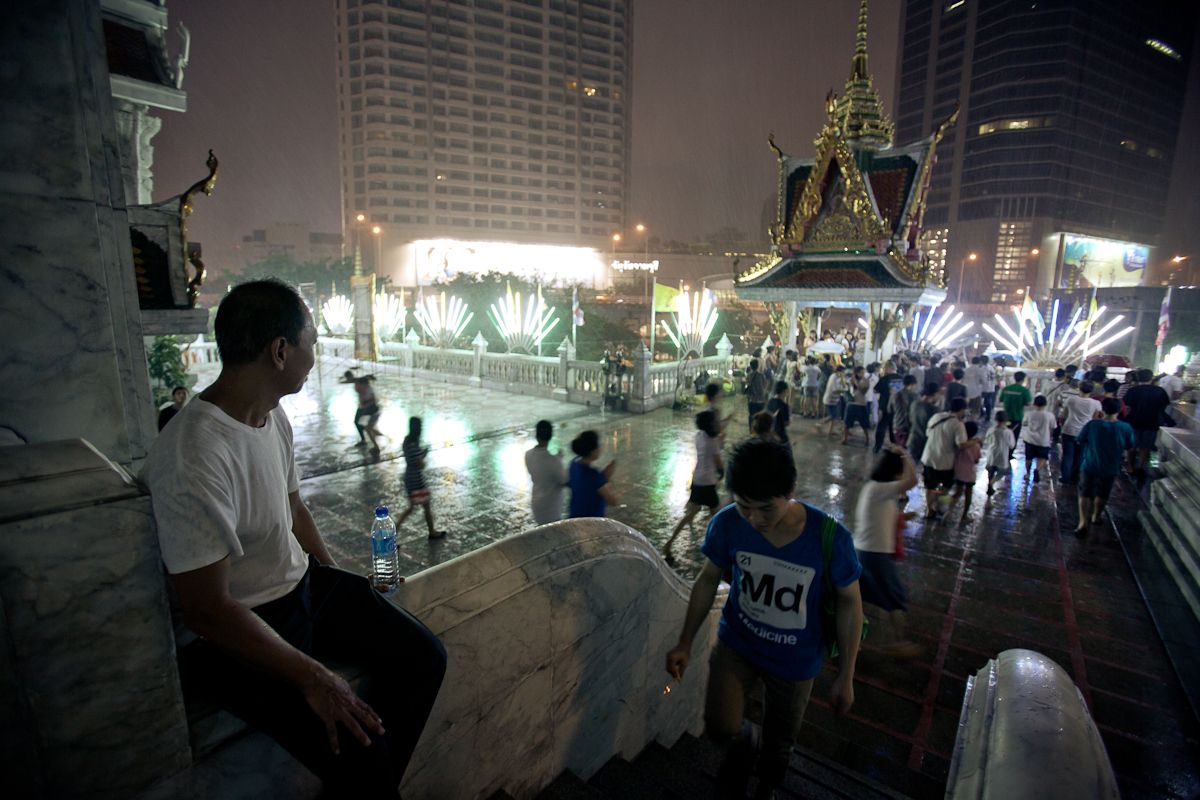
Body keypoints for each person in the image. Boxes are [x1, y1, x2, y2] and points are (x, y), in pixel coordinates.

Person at [140, 279, 445, 797]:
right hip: (239, 634)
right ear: (280, 351)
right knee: (364, 754)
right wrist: (313, 676)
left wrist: (337, 579)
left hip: (304, 589)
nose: (316, 356)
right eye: (312, 343)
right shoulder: (195, 453)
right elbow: (206, 610)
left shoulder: (270, 415)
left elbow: (294, 508)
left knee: (425, 659)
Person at [663, 439, 863, 799]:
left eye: (766, 509)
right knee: (719, 726)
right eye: (744, 507)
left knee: (780, 743)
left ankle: (766, 788)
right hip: (737, 644)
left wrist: (846, 675)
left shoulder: (830, 539)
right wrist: (685, 642)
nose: (754, 520)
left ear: (791, 491)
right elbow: (708, 579)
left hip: (796, 662)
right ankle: (744, 744)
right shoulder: (727, 524)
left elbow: (850, 603)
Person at [854, 444, 921, 658]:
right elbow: (912, 481)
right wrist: (906, 454)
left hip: (867, 551)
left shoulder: (876, 489)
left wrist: (903, 517)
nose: (902, 477)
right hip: (875, 554)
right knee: (894, 598)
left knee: (862, 598)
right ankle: (897, 643)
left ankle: (851, 638)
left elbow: (881, 517)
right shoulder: (878, 489)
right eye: (900, 471)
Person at [663, 410, 725, 558]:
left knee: (691, 513)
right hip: (708, 483)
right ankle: (718, 548)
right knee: (717, 517)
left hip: (697, 480)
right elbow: (718, 463)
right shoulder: (713, 442)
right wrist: (722, 473)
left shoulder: (699, 436)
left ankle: (669, 543)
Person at [1075, 397, 1137, 535]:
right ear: (1119, 411)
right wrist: (1129, 463)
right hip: (1111, 466)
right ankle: (1096, 516)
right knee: (1103, 493)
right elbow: (1130, 447)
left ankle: (1082, 522)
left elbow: (1080, 440)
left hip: (1090, 464)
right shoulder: (1125, 428)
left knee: (1084, 492)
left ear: (1102, 409)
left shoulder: (1092, 425)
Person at [920, 397, 973, 520]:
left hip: (928, 457)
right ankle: (938, 503)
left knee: (929, 486)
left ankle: (930, 510)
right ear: (962, 409)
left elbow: (928, 433)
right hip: (945, 461)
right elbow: (961, 444)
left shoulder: (936, 417)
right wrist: (975, 441)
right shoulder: (958, 424)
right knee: (947, 486)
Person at [398, 416, 446, 539]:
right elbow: (420, 464)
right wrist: (423, 456)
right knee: (414, 508)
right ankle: (393, 535)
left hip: (410, 476)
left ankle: (432, 531)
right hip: (416, 479)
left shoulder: (407, 441)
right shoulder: (413, 444)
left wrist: (422, 453)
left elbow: (414, 458)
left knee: (422, 506)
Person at [1123, 368, 1171, 475]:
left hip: (1134, 421)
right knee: (1146, 446)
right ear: (1151, 378)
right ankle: (1141, 466)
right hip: (1152, 422)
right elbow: (1164, 406)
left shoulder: (1133, 390)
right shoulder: (1159, 391)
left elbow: (1127, 406)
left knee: (1132, 445)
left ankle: (1129, 466)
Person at [1059, 381, 1102, 484]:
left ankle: (1065, 477)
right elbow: (1095, 418)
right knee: (1081, 455)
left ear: (1079, 388)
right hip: (1085, 432)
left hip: (1069, 430)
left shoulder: (1071, 400)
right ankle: (1075, 477)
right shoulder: (1096, 403)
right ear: (1091, 390)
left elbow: (1064, 415)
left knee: (1067, 455)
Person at [525, 419, 567, 525]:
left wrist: (557, 459)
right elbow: (564, 480)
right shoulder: (554, 461)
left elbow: (539, 470)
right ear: (550, 436)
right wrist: (559, 459)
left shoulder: (528, 455)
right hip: (551, 506)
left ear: (536, 435)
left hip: (536, 503)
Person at [568, 429, 616, 518]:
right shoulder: (593, 475)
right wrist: (608, 482)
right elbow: (612, 501)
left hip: (574, 517)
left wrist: (603, 476)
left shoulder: (573, 464)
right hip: (591, 521)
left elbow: (586, 485)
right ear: (593, 451)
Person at [341, 370, 383, 453]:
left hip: (369, 408)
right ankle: (365, 438)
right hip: (362, 407)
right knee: (357, 422)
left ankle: (375, 441)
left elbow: (374, 400)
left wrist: (365, 403)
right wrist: (342, 382)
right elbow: (350, 381)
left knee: (368, 428)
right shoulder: (358, 381)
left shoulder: (368, 389)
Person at [1020, 395, 1055, 483]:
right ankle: (1037, 470)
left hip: (1030, 439)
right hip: (1043, 440)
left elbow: (1024, 423)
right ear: (1045, 404)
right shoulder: (1050, 415)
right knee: (1042, 457)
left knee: (1028, 458)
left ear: (1034, 404)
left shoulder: (1029, 414)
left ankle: (1027, 474)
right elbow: (1053, 427)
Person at [952, 420, 982, 521]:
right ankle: (964, 515)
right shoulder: (976, 445)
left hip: (958, 472)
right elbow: (976, 460)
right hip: (970, 474)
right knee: (968, 494)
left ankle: (949, 510)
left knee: (958, 492)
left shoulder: (959, 444)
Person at [907, 382, 941, 463]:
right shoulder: (934, 409)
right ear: (935, 394)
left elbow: (909, 420)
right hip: (925, 444)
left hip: (912, 441)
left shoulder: (914, 404)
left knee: (910, 467)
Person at [984, 411, 1015, 496]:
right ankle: (991, 483)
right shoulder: (1008, 432)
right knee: (1002, 472)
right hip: (1002, 455)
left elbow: (986, 441)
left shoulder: (991, 430)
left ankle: (990, 485)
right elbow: (1012, 445)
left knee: (990, 471)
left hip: (991, 454)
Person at [999, 371, 1033, 449]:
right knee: (1014, 436)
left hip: (1005, 417)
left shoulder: (1006, 389)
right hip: (1017, 418)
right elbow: (1028, 403)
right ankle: (1010, 452)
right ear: (1023, 379)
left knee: (1003, 434)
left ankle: (1003, 450)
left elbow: (1001, 399)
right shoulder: (1024, 390)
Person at [872, 363, 901, 453]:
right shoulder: (900, 378)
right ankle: (894, 446)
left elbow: (875, 390)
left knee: (882, 426)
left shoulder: (884, 378)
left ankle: (877, 447)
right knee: (894, 427)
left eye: (885, 368)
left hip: (884, 406)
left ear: (889, 368)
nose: (884, 370)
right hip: (896, 407)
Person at [842, 366, 871, 447]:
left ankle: (867, 439)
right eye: (861, 372)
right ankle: (845, 439)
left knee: (864, 424)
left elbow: (863, 391)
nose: (863, 374)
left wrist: (855, 382)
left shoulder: (865, 380)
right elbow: (846, 387)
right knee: (847, 423)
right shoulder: (851, 379)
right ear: (857, 373)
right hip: (851, 403)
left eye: (863, 372)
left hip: (861, 404)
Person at [889, 375, 919, 450]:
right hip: (909, 427)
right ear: (912, 384)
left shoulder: (894, 395)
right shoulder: (915, 396)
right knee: (906, 451)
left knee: (899, 448)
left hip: (897, 425)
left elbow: (889, 409)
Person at [820, 365, 847, 437]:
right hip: (829, 399)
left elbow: (845, 387)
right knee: (833, 416)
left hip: (835, 400)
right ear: (839, 371)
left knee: (834, 417)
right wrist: (843, 390)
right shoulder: (833, 377)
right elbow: (835, 390)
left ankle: (830, 431)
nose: (844, 374)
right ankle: (820, 424)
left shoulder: (840, 378)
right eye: (843, 372)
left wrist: (842, 380)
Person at [767, 380, 792, 455]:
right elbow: (787, 423)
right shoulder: (784, 405)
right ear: (784, 391)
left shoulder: (770, 401)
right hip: (780, 435)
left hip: (770, 433)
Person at [745, 358, 769, 431]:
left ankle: (751, 430)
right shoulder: (762, 375)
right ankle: (759, 430)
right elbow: (765, 385)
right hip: (760, 400)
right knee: (760, 417)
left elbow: (747, 384)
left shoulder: (749, 375)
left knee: (751, 415)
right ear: (758, 366)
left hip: (752, 400)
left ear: (751, 366)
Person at [979, 355, 998, 421]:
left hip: (984, 388)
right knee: (988, 402)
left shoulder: (982, 369)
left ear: (981, 361)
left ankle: (983, 413)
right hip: (991, 387)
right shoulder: (991, 368)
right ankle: (988, 415)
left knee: (979, 401)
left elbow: (983, 379)